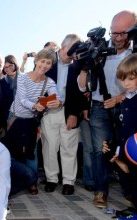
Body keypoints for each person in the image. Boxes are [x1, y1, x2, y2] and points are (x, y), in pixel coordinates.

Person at [77, 10, 136, 208]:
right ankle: (101, 190)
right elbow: (81, 86)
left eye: (123, 33)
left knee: (127, 149)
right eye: (114, 33)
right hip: (99, 107)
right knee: (99, 150)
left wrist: (121, 98)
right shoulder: (98, 49)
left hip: (127, 106)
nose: (118, 38)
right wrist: (85, 66)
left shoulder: (135, 52)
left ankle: (130, 192)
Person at [7, 48, 62, 178]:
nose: (44, 65)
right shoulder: (22, 78)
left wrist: (58, 102)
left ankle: (31, 179)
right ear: (36, 61)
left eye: (48, 63)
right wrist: (35, 106)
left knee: (32, 150)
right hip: (15, 117)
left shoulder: (49, 82)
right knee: (13, 149)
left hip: (31, 120)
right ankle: (14, 177)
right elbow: (22, 100)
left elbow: (57, 96)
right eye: (42, 61)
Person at [42, 34, 84, 195]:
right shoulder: (48, 62)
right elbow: (37, 82)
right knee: (50, 147)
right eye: (72, 50)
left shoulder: (80, 65)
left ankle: (68, 181)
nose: (74, 54)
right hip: (49, 111)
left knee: (69, 147)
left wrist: (74, 113)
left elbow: (81, 92)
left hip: (69, 112)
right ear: (64, 47)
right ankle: (51, 179)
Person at [102, 53, 137, 220]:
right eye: (123, 79)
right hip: (128, 152)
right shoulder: (126, 100)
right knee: (131, 185)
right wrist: (117, 150)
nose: (126, 84)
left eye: (131, 79)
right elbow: (123, 129)